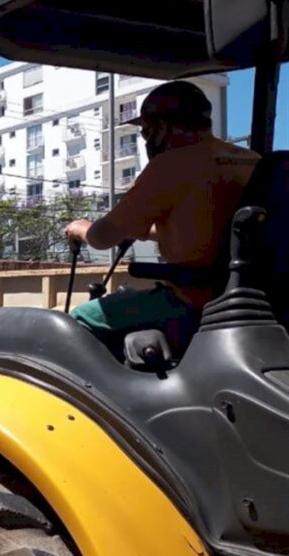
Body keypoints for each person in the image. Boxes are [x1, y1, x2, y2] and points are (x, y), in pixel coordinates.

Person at [64, 81, 260, 352]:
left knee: (77, 321)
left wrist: (81, 227)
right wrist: (147, 229)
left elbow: (102, 237)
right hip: (256, 299)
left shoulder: (171, 164)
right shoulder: (252, 160)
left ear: (163, 127)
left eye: (145, 132)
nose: (145, 140)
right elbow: (220, 227)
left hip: (193, 300)